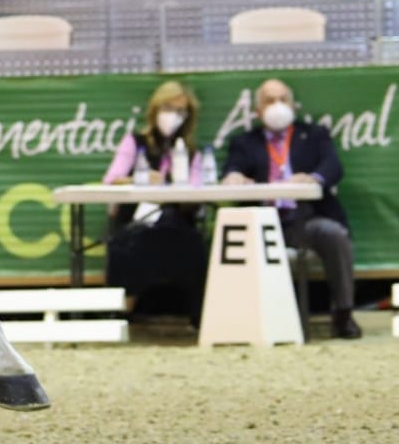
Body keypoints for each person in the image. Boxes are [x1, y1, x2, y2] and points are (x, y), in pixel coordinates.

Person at [220, 77, 361, 339]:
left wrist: (312, 178)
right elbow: (232, 169)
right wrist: (234, 176)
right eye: (270, 101)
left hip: (308, 218)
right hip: (264, 221)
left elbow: (333, 167)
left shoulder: (315, 135)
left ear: (293, 105)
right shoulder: (244, 142)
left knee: (334, 234)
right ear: (257, 110)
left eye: (283, 100)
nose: (277, 106)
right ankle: (241, 318)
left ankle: (343, 313)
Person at [100, 80, 210, 326]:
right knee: (128, 243)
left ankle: (199, 317)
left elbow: (196, 190)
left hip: (175, 222)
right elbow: (111, 180)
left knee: (193, 244)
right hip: (136, 221)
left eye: (181, 111)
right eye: (169, 108)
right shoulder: (135, 142)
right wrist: (139, 178)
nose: (174, 116)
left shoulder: (191, 152)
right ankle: (120, 315)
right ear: (155, 109)